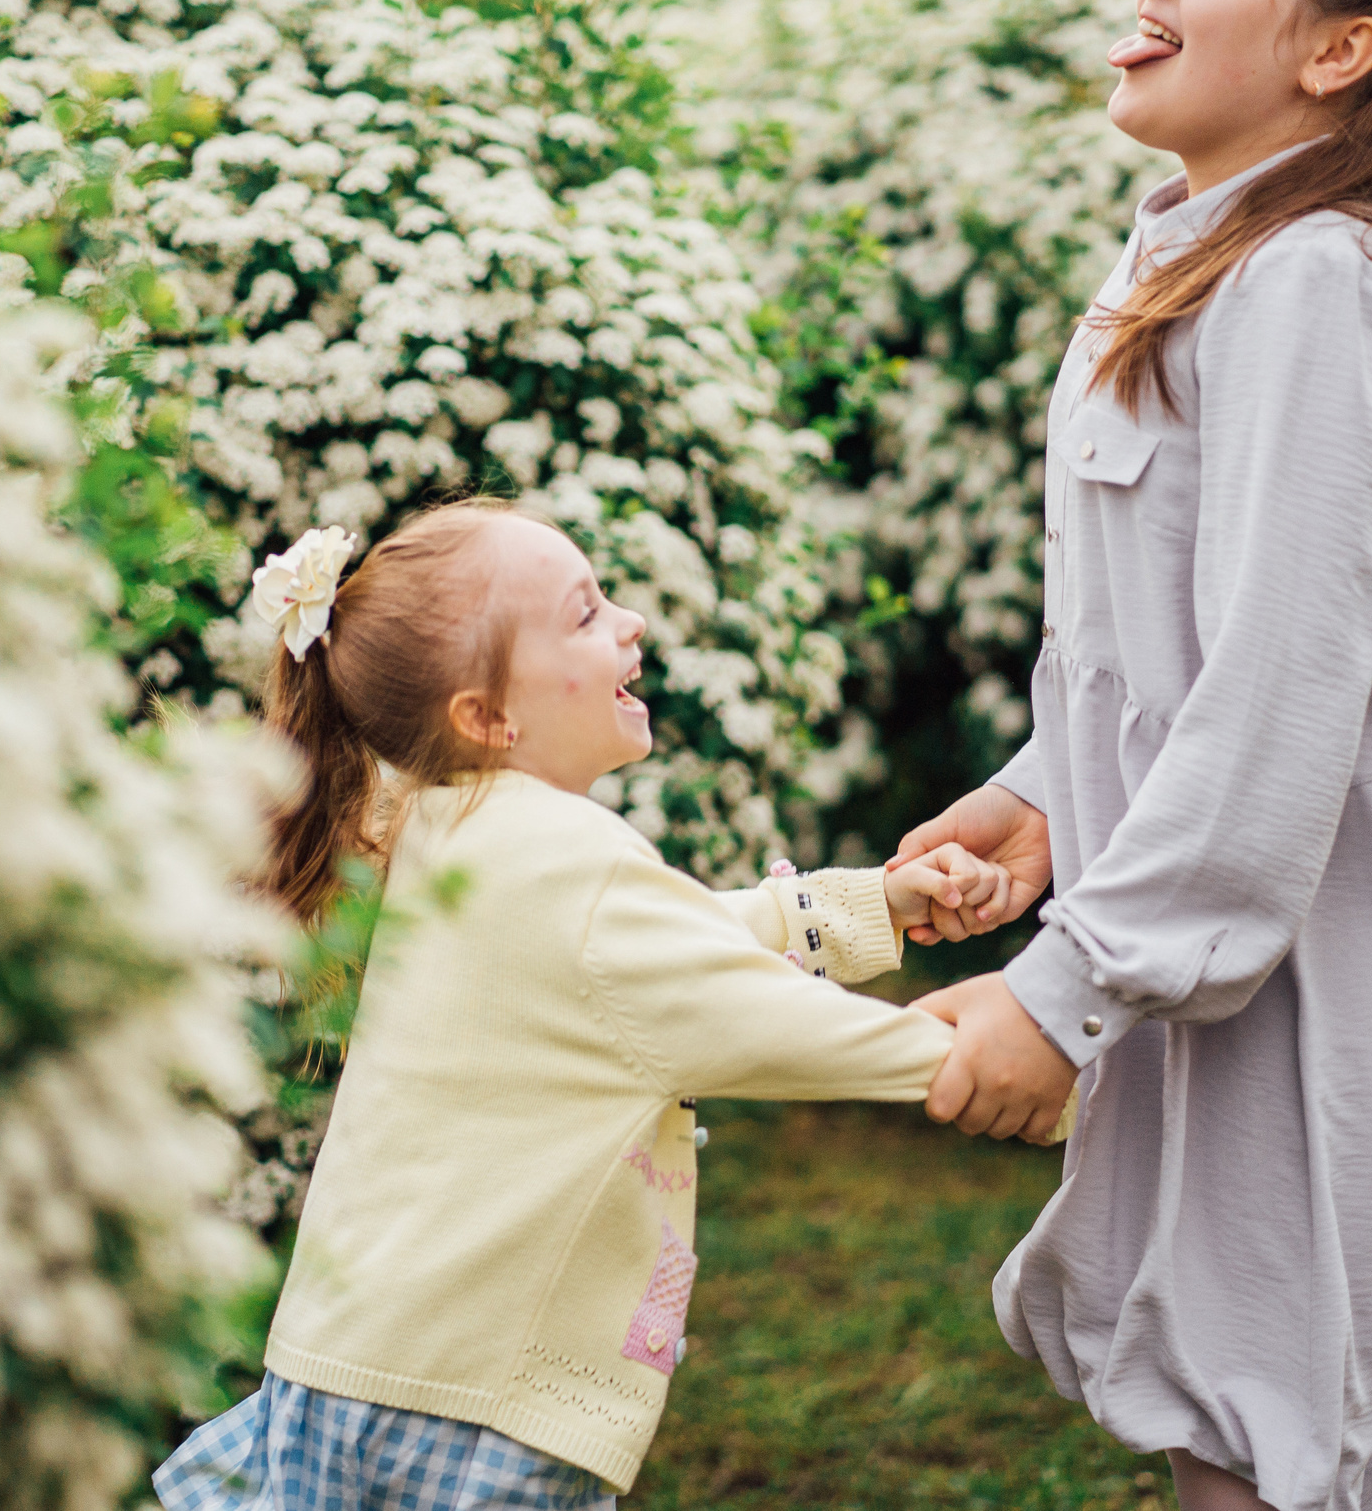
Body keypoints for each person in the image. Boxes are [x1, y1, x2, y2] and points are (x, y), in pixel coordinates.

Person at [892, 0, 1372, 1511]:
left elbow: (1287, 692)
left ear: (1335, 52)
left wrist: (1070, 989)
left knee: (1302, 1405)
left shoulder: (1313, 286)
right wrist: (1047, 797)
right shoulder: (1194, 252)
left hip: (1344, 904)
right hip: (1239, 896)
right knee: (1237, 1376)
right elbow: (1174, 637)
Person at [154, 501, 1003, 1511]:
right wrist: (976, 1052)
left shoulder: (443, 828)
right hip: (472, 1404)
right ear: (488, 717)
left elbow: (639, 962)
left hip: (345, 1366)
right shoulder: (563, 858)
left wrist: (870, 905)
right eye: (587, 612)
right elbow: (730, 1011)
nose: (630, 623)